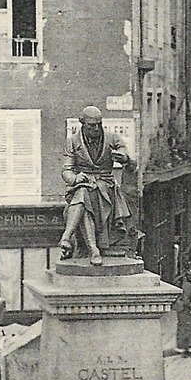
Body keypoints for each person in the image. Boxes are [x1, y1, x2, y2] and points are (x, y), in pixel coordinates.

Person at [58, 106, 134, 265]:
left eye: (98, 124)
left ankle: (67, 237)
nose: (95, 128)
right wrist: (75, 178)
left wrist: (123, 157)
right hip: (83, 183)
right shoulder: (72, 142)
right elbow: (66, 170)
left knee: (84, 195)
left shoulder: (112, 138)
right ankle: (93, 249)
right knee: (84, 193)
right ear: (82, 123)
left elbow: (127, 155)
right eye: (91, 125)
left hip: (106, 184)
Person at [173, 272, 191, 356]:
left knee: (183, 327)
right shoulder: (189, 286)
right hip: (185, 309)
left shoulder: (183, 284)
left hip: (180, 308)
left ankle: (183, 348)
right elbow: (186, 300)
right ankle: (185, 348)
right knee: (189, 328)